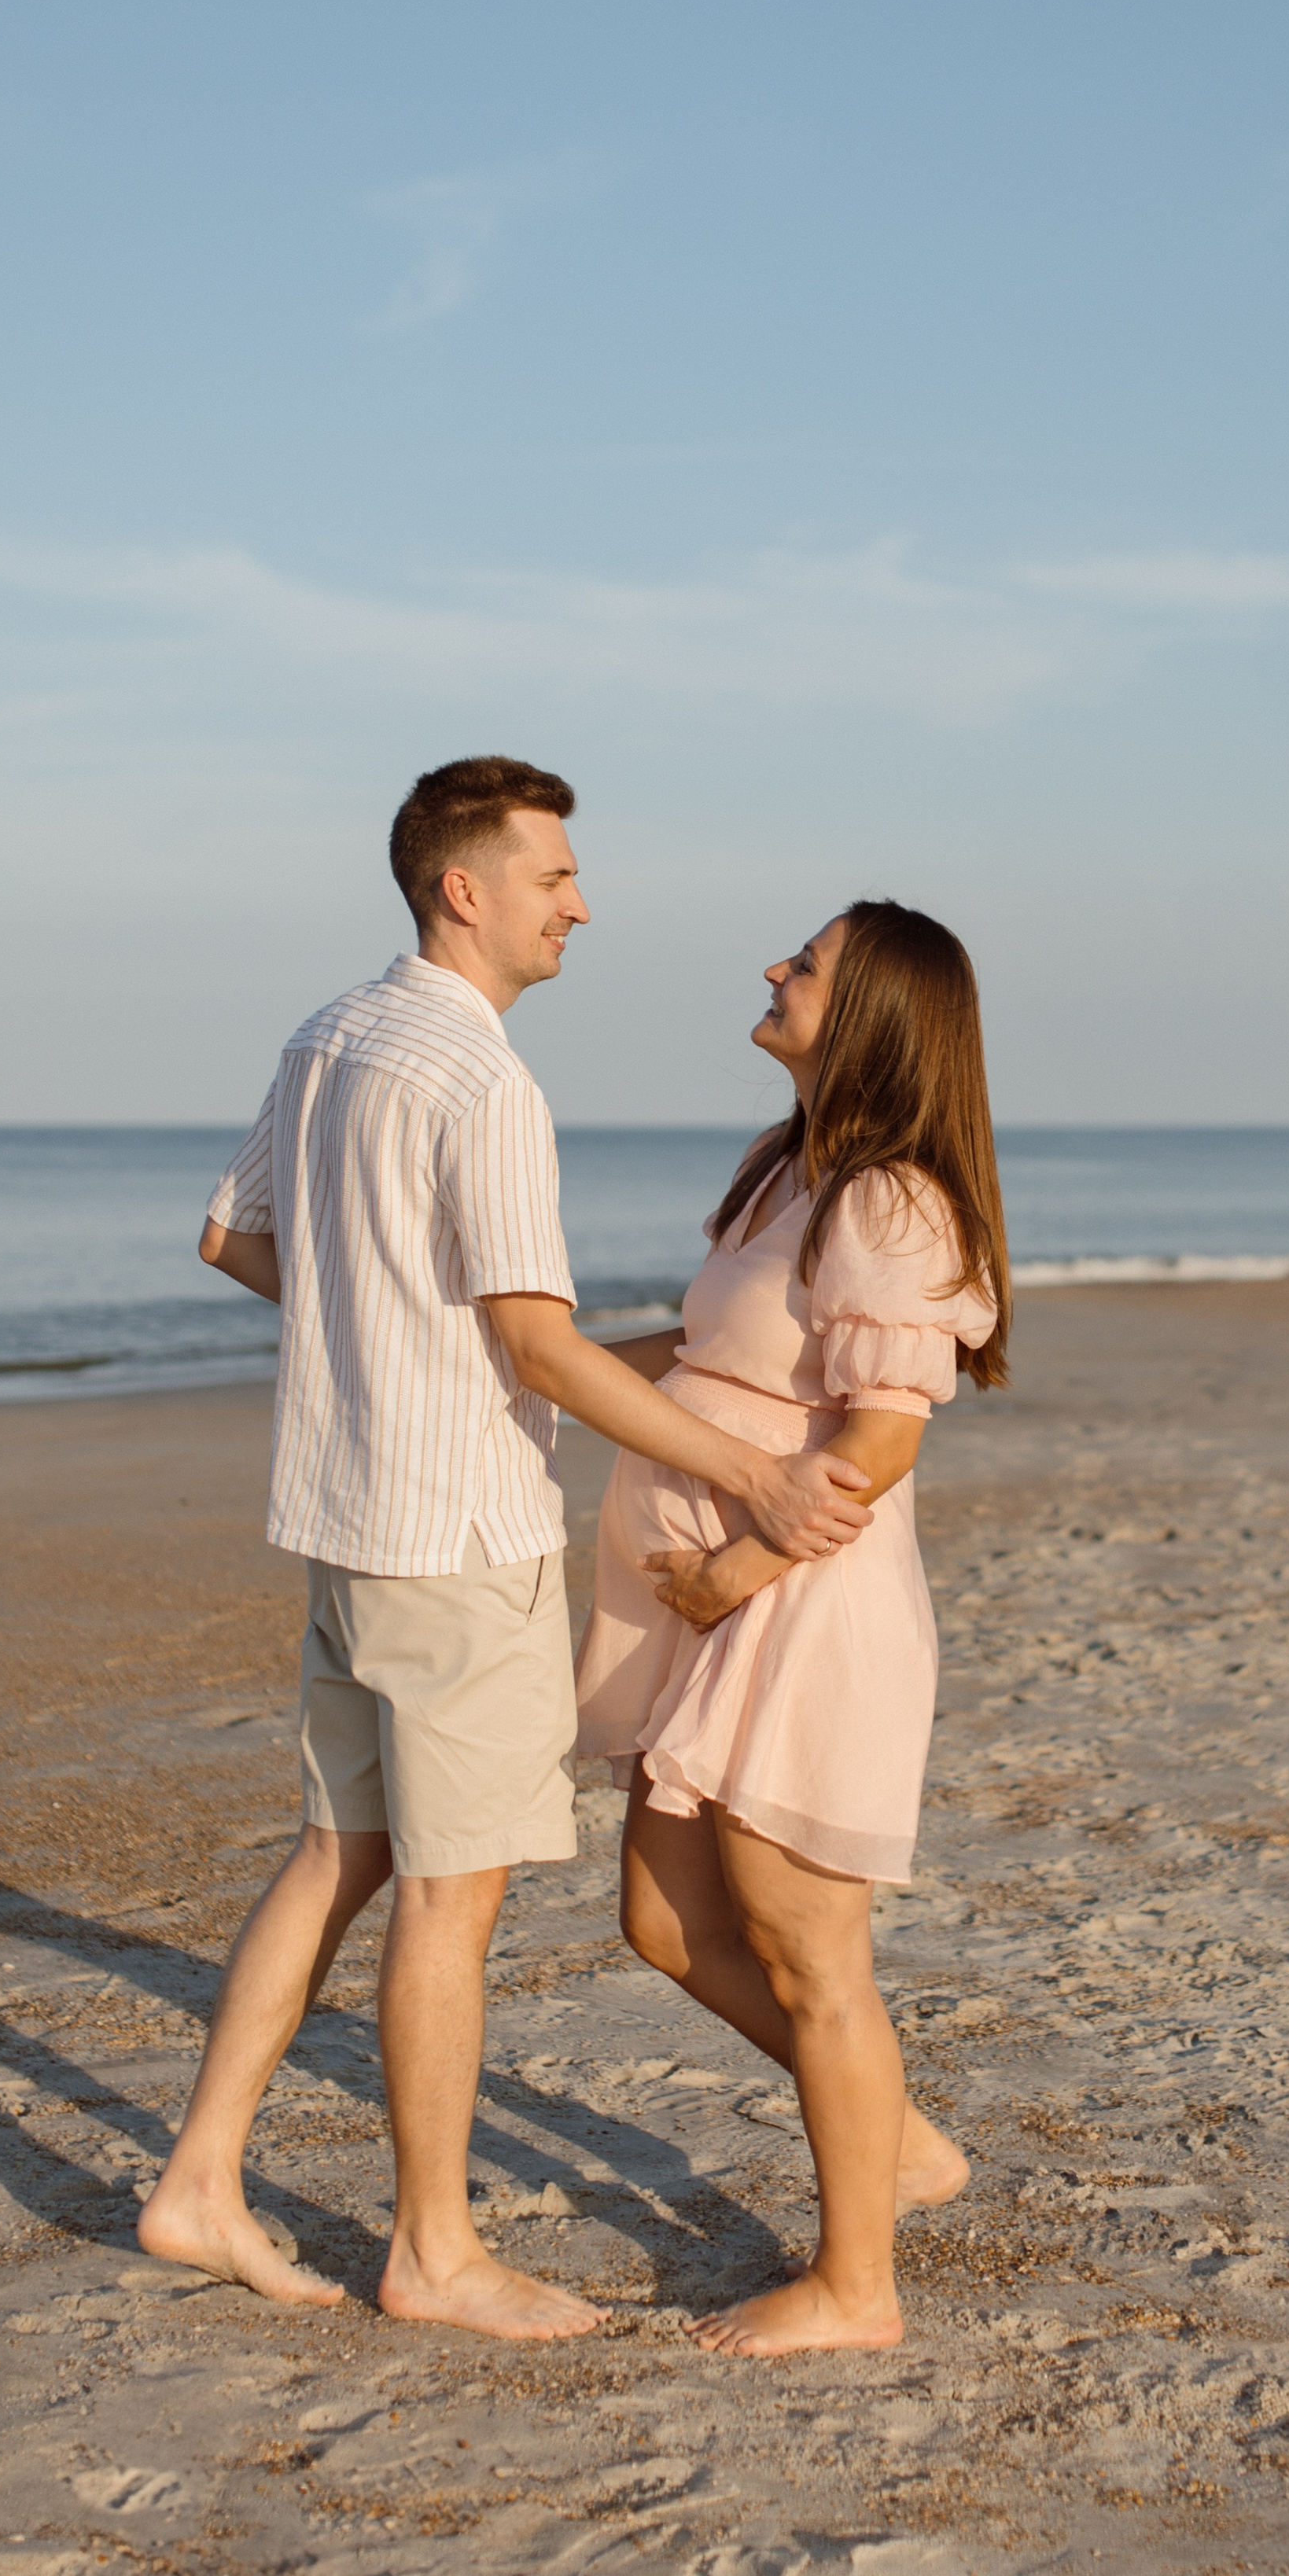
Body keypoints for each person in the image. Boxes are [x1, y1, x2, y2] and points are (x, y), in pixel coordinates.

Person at [138, 756, 875, 2342]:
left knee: (345, 1846)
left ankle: (198, 2176)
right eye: (553, 876)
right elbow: (532, 1347)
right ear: (461, 887)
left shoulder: (325, 1033)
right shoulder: (479, 1081)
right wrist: (749, 1468)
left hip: (341, 1517)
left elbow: (229, 1234)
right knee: (447, 1899)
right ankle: (432, 2250)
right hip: (454, 1531)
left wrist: (387, 1328)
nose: (579, 902)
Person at [575, 899, 1011, 2356]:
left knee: (810, 1948)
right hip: (720, 1595)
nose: (774, 968)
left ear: (877, 1012)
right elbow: (707, 1362)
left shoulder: (893, 1199)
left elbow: (883, 1438)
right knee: (662, 1915)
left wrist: (731, 1575)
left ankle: (856, 2285)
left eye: (807, 964)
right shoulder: (789, 1169)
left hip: (798, 1602)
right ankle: (900, 2141)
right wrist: (530, 1360)